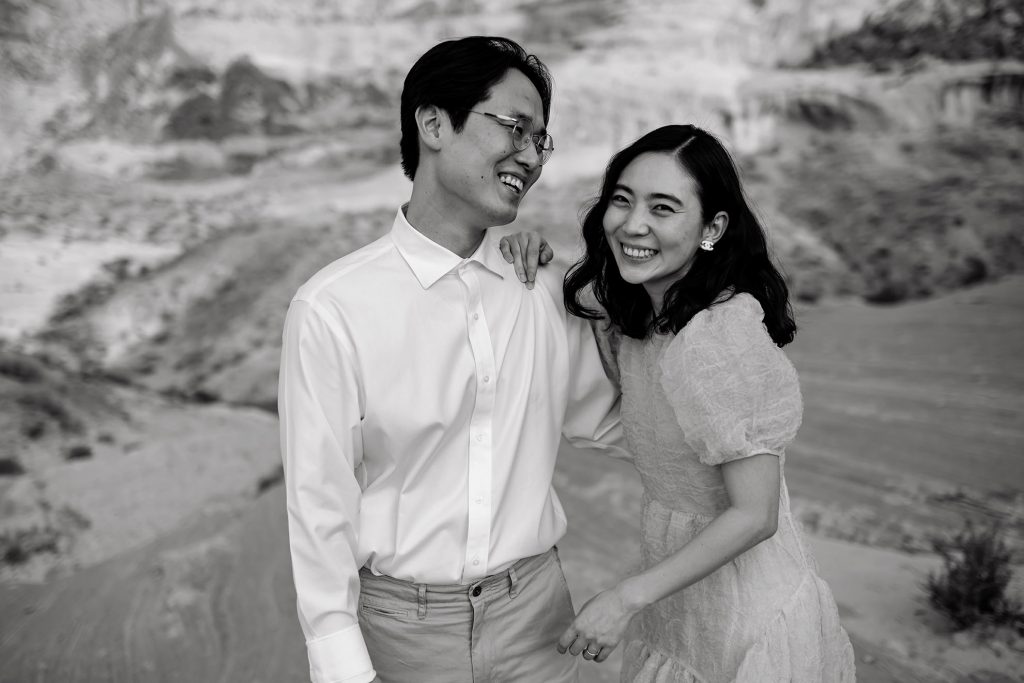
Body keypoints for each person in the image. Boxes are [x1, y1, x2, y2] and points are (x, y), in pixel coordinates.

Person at [277, 36, 627, 683]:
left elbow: (623, 427)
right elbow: (319, 499)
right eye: (516, 128)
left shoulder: (543, 291)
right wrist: (342, 664)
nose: (530, 156)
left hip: (541, 619)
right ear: (434, 123)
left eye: (540, 141)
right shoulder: (332, 307)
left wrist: (626, 306)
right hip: (400, 634)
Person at [508, 124, 856, 681]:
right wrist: (533, 253)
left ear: (712, 227)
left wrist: (625, 599)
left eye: (663, 207)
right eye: (621, 200)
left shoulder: (718, 336)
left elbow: (755, 515)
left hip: (744, 613)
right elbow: (576, 314)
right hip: (681, 601)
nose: (633, 223)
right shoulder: (644, 318)